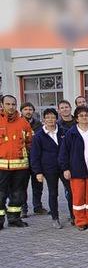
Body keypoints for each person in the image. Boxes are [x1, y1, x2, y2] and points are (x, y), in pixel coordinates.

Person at [58, 106, 88, 230]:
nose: (84, 118)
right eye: (81, 116)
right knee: (78, 197)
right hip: (76, 171)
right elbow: (64, 153)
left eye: (86, 115)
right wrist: (65, 169)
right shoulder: (71, 134)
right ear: (76, 118)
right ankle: (80, 221)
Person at [30, 108, 72, 229]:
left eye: (53, 117)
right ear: (44, 120)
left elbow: (69, 150)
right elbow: (35, 155)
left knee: (71, 191)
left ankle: (74, 216)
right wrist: (37, 172)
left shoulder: (64, 132)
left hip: (64, 167)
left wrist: (68, 166)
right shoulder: (39, 136)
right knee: (53, 193)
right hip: (49, 168)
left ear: (56, 118)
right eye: (47, 117)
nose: (50, 120)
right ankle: (55, 218)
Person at [0, 95, 33, 229]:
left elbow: (30, 143)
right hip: (1, 166)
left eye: (13, 104)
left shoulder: (23, 123)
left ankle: (14, 218)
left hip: (20, 166)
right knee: (0, 194)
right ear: (2, 105)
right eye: (8, 104)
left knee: (18, 193)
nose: (11, 107)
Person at [20, 102, 46, 217]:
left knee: (38, 185)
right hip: (22, 159)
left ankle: (38, 207)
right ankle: (23, 209)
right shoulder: (18, 123)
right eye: (25, 109)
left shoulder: (38, 124)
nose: (28, 111)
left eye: (30, 109)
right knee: (21, 185)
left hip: (36, 159)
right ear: (21, 111)